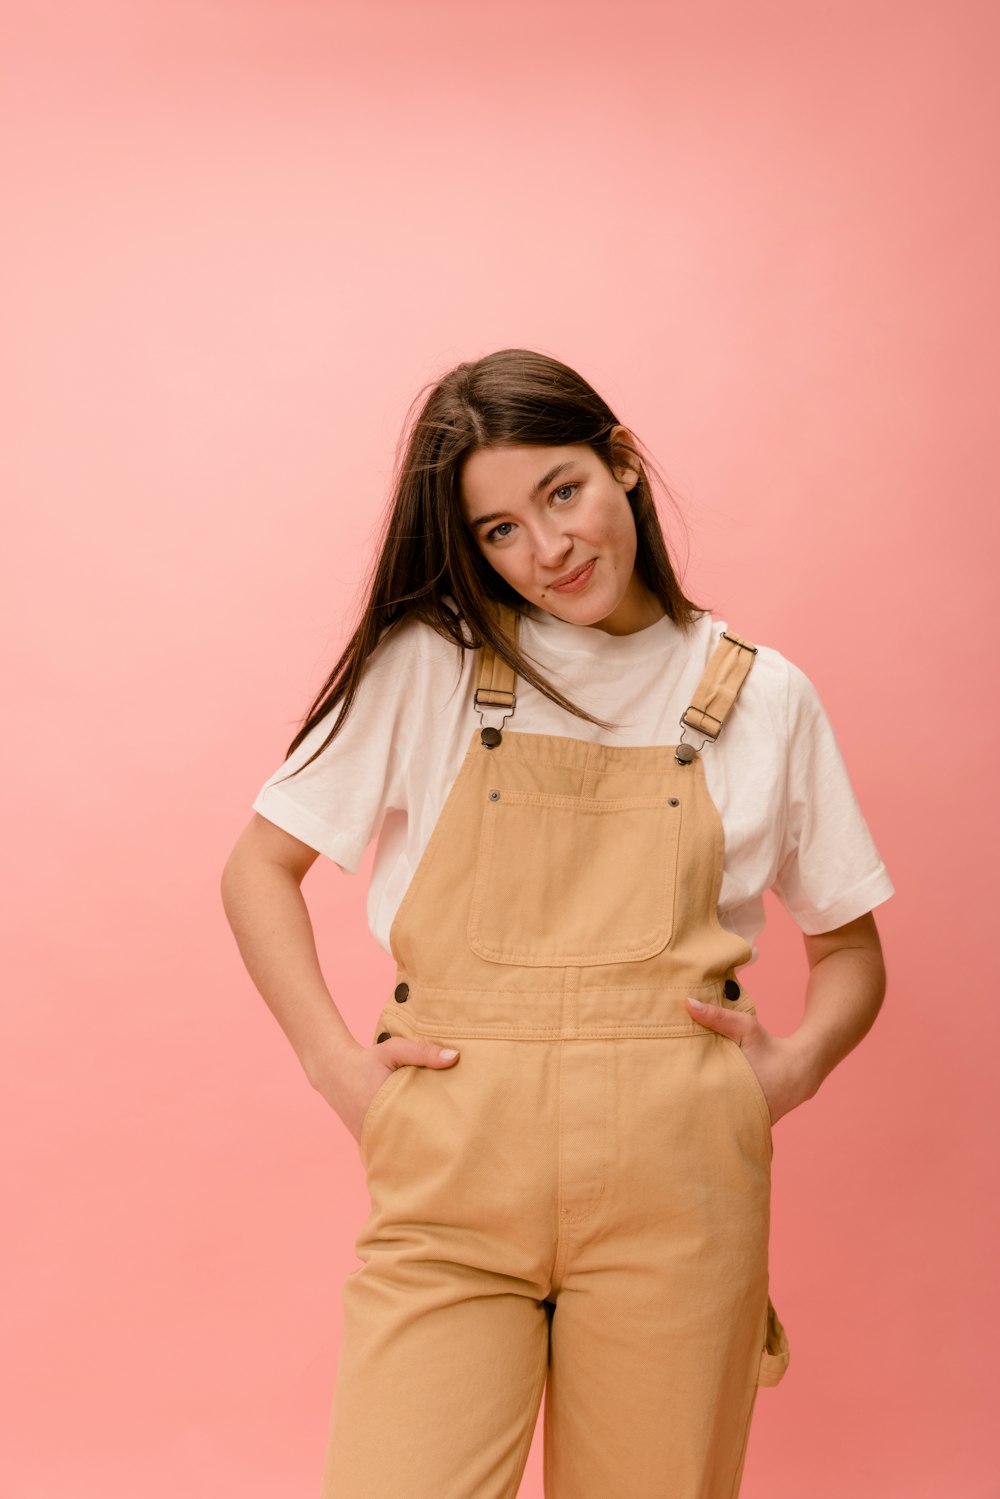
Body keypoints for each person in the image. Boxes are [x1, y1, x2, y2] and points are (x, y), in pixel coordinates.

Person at [220, 347, 894, 1499]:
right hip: (453, 1172)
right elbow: (256, 871)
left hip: (678, 1181)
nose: (548, 548)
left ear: (621, 463)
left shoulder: (761, 693)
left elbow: (849, 952)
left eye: (562, 492)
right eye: (498, 531)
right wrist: (341, 1072)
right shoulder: (429, 663)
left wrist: (784, 1074)